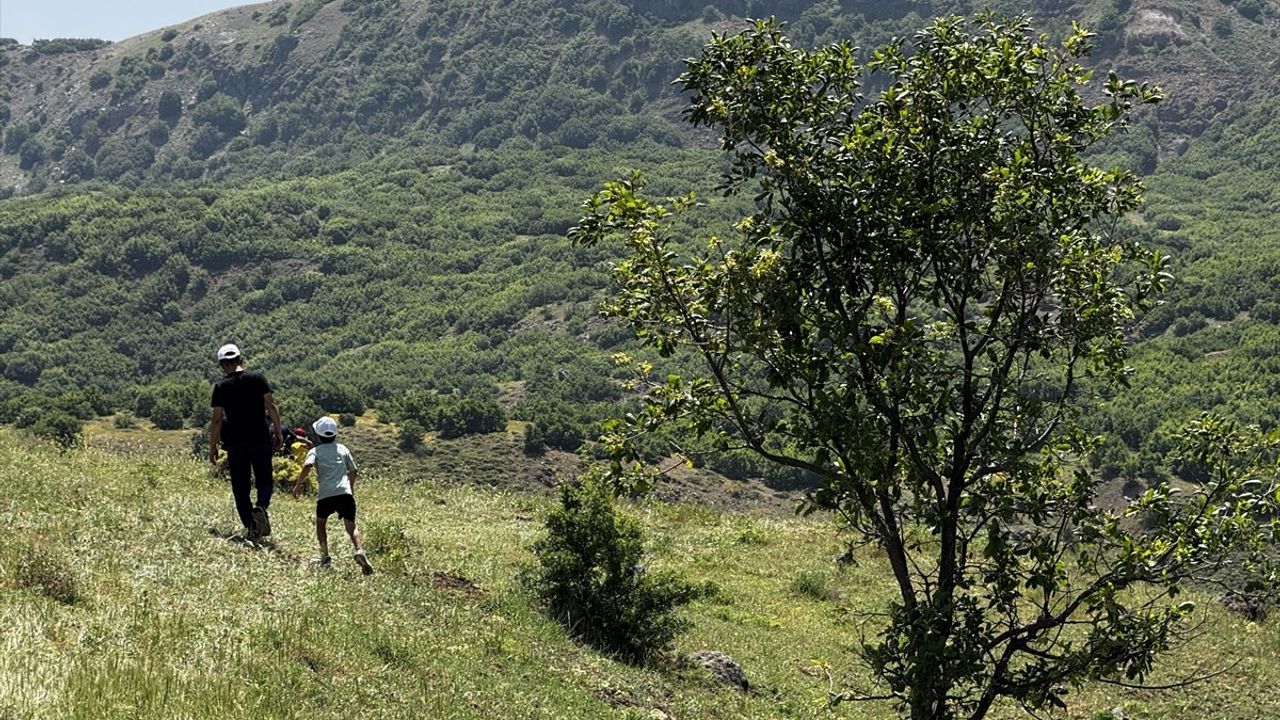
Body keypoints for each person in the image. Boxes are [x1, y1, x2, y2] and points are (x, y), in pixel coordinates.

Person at [208, 343, 283, 542]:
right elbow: (271, 406)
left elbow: (217, 420)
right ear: (241, 359)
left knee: (240, 488)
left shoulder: (221, 387)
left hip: (236, 443)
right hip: (260, 439)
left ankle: (251, 527)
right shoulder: (257, 379)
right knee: (265, 480)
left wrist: (213, 446)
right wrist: (278, 431)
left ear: (222, 365)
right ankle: (261, 507)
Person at [291, 415, 373, 575]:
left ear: (318, 435)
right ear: (335, 434)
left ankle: (325, 557)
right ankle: (360, 550)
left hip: (326, 495)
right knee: (351, 527)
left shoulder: (315, 451)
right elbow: (353, 470)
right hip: (345, 493)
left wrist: (298, 484)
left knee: (321, 524)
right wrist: (350, 487)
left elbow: (307, 465)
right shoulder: (343, 449)